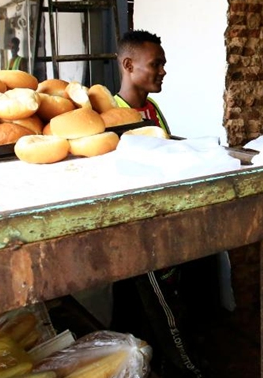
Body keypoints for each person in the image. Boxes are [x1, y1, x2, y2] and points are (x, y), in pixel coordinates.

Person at [109, 30, 206, 378]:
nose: (163, 71)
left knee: (143, 312)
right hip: (138, 230)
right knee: (158, 312)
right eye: (156, 64)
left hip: (163, 222)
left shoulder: (152, 108)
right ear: (129, 65)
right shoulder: (110, 115)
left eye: (163, 64)